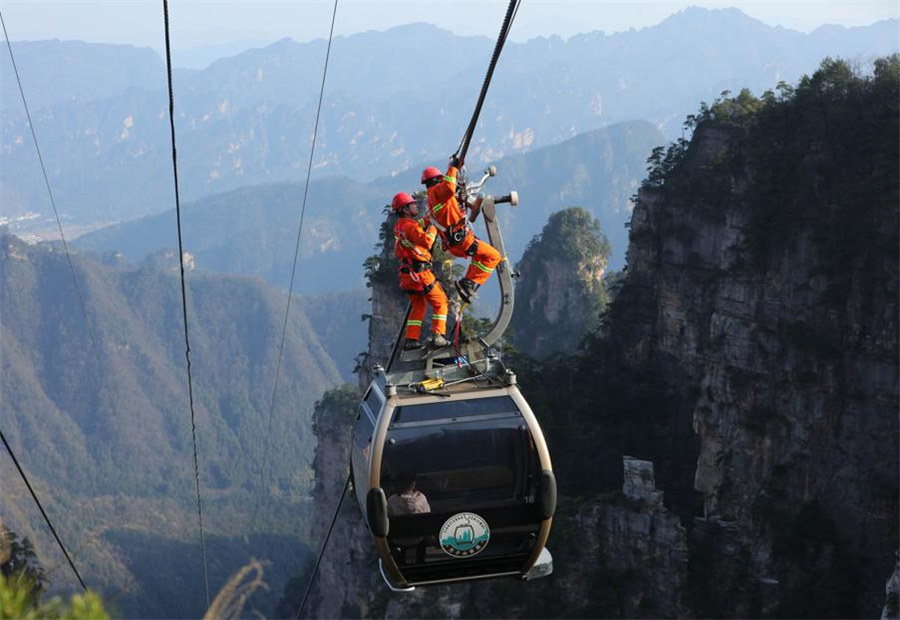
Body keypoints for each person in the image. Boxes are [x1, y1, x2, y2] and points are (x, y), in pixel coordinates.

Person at [421, 160, 501, 304]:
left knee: (479, 258)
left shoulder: (433, 200)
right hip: (463, 240)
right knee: (494, 256)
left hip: (455, 244)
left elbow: (452, 198)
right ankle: (468, 282)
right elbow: (450, 189)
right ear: (437, 180)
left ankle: (467, 282)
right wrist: (452, 168)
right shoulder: (438, 192)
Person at [391, 192, 449, 350]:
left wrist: (429, 219)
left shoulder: (400, 225)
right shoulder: (410, 226)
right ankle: (438, 335)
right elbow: (427, 241)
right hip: (420, 275)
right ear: (405, 209)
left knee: (418, 306)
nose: (416, 206)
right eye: (412, 205)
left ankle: (411, 339)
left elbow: (415, 229)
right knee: (441, 302)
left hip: (407, 276)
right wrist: (433, 226)